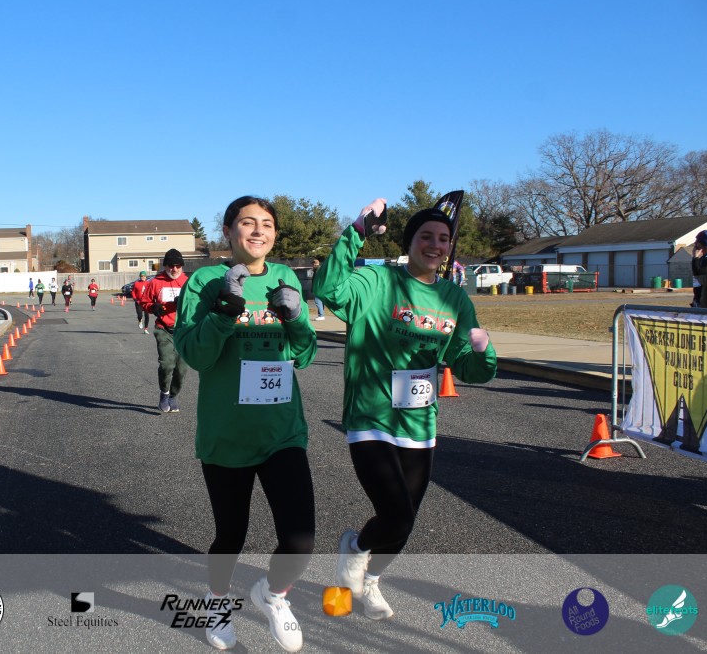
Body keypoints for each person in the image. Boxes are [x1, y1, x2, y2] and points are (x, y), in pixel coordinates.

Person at [314, 198, 496, 621]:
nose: (435, 245)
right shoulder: (377, 281)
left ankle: (369, 578)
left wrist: (483, 351)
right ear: (409, 242)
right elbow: (328, 289)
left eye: (443, 239)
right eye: (426, 236)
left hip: (419, 421)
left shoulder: (454, 297)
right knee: (395, 512)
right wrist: (357, 230)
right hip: (371, 416)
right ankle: (355, 554)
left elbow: (468, 367)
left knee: (404, 520)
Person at [175, 197, 317, 652]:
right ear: (228, 230)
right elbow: (194, 355)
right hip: (227, 433)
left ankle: (273, 595)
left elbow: (305, 355)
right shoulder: (204, 281)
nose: (258, 231)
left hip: (281, 430)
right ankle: (216, 602)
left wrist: (297, 318)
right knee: (231, 535)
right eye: (248, 223)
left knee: (300, 538)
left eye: (267, 224)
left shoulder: (285, 276)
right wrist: (224, 311)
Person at [139, 249, 188, 413]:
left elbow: (198, 303)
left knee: (181, 369)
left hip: (184, 330)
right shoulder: (156, 282)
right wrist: (153, 307)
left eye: (178, 265)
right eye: (171, 265)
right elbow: (144, 302)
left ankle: (173, 396)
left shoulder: (188, 282)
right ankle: (164, 393)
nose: (174, 269)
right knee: (167, 364)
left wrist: (186, 303)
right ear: (165, 266)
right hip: (163, 329)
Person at [692, 230, 707, 308]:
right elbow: (696, 271)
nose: (695, 244)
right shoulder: (703, 259)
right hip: (702, 300)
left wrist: (697, 278)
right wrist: (695, 258)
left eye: (697, 241)